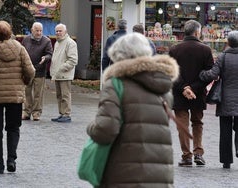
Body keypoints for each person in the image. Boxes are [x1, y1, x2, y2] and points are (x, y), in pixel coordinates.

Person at [87, 32, 179, 187]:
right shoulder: (163, 88)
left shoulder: (116, 86)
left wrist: (91, 127)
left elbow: (105, 129)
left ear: (118, 56)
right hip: (160, 176)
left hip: (125, 174)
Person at [0, 20, 35, 174]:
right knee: (13, 127)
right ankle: (12, 159)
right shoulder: (20, 48)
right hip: (15, 96)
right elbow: (30, 71)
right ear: (9, 32)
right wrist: (24, 82)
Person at [169, 20, 214, 166]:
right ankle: (198, 153)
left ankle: (186, 156)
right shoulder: (205, 50)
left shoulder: (174, 49)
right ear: (197, 32)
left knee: (182, 125)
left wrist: (184, 88)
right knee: (197, 123)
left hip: (178, 93)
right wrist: (193, 88)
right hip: (198, 93)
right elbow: (209, 74)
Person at [199, 31, 238, 169]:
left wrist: (202, 74)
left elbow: (213, 74)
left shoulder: (223, 57)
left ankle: (226, 160)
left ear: (228, 42)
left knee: (225, 130)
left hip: (225, 99)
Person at [21, 22, 53, 121]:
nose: (39, 33)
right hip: (27, 70)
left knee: (38, 93)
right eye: (37, 30)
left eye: (40, 31)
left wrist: (46, 58)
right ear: (32, 30)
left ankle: (36, 113)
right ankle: (26, 112)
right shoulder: (26, 40)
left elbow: (50, 54)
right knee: (27, 92)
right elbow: (21, 52)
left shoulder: (46, 41)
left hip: (40, 71)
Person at [50, 23, 78, 123]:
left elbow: (73, 60)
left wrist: (61, 69)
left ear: (65, 32)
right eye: (57, 31)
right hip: (57, 75)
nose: (58, 33)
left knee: (65, 95)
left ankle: (67, 114)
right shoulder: (57, 43)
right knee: (59, 95)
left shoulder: (70, 43)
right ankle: (62, 113)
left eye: (60, 31)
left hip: (65, 75)